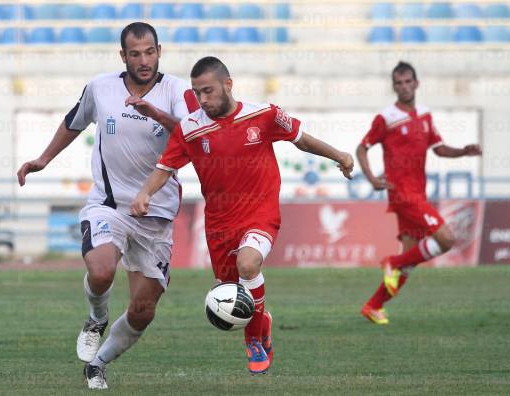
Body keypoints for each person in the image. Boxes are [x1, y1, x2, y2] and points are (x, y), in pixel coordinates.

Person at [130, 56, 354, 375]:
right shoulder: (190, 129)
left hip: (260, 213)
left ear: (228, 85)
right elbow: (164, 169)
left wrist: (340, 155)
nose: (202, 99)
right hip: (219, 224)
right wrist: (144, 193)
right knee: (228, 291)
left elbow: (301, 140)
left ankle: (254, 341)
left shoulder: (264, 115)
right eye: (197, 92)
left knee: (248, 264)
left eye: (208, 91)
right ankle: (263, 322)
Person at [16, 22, 198, 389]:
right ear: (123, 56)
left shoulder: (178, 90)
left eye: (150, 52)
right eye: (135, 53)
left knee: (143, 311)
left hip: (156, 214)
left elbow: (193, 134)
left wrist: (156, 114)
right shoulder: (101, 87)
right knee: (100, 271)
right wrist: (43, 159)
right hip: (109, 205)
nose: (144, 60)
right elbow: (73, 122)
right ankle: (96, 318)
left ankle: (97, 364)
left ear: (159, 50)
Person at [356, 61, 482, 325]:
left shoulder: (424, 115)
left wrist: (462, 151)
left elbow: (438, 148)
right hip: (402, 195)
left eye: (407, 82)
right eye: (399, 83)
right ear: (394, 86)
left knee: (410, 262)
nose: (403, 87)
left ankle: (373, 305)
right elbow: (362, 148)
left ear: (416, 83)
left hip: (419, 194)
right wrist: (371, 178)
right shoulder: (386, 117)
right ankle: (392, 261)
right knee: (446, 239)